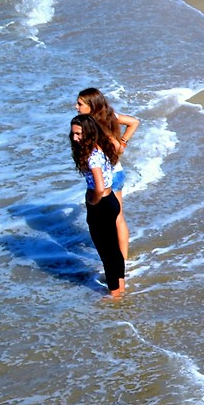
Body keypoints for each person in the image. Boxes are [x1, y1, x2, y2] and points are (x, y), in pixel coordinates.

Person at [75, 87, 137, 272]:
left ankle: (119, 264)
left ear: (91, 105)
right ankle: (122, 261)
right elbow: (134, 122)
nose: (76, 107)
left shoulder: (97, 124)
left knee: (111, 222)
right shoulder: (108, 115)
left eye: (80, 104)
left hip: (110, 177)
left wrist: (121, 144)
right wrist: (124, 140)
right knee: (118, 218)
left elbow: (118, 148)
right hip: (116, 173)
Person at [70, 113, 128, 298]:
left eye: (78, 134)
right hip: (111, 201)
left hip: (101, 203)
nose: (75, 138)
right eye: (73, 134)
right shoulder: (101, 148)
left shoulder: (91, 157)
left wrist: (93, 201)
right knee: (113, 250)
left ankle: (114, 296)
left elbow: (99, 186)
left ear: (88, 133)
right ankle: (121, 286)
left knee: (106, 253)